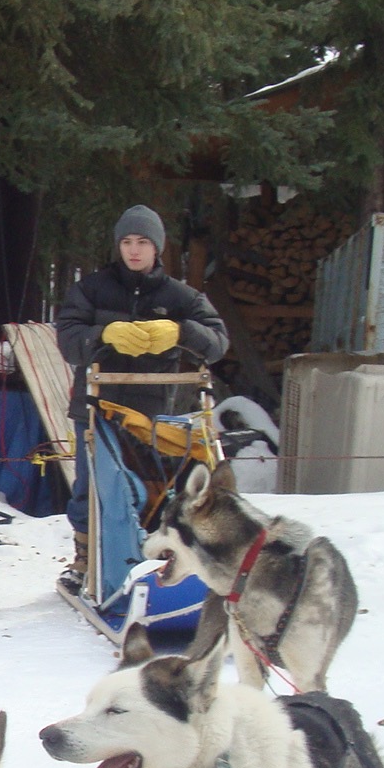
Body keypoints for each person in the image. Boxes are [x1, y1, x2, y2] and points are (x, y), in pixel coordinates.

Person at [54, 203, 228, 589]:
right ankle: (84, 561)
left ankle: (159, 562)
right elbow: (67, 341)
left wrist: (181, 332)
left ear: (158, 248)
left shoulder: (181, 297)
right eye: (127, 241)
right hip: (95, 409)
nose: (134, 250)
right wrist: (103, 335)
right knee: (90, 488)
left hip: (151, 414)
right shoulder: (90, 290)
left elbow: (217, 344)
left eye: (143, 242)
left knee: (152, 490)